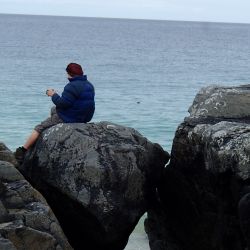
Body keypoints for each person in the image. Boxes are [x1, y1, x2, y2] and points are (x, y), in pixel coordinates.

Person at [14, 62, 95, 163]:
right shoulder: (89, 85)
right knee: (53, 109)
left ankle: (23, 150)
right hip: (85, 117)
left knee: (39, 127)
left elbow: (62, 104)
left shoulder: (71, 86)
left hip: (71, 117)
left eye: (67, 74)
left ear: (69, 74)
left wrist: (53, 94)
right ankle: (54, 124)